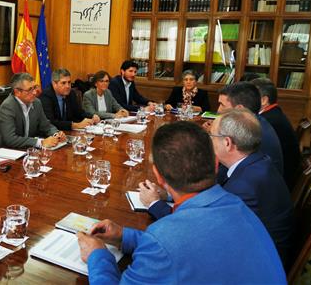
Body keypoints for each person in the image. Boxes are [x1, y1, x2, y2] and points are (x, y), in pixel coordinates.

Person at [76, 121, 286, 283]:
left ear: (158, 177)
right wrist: (124, 236)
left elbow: (172, 244)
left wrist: (98, 256)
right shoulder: (238, 205)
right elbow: (191, 246)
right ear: (215, 164)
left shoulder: (164, 239)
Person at [142, 109, 294, 267]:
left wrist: (154, 204)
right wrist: (169, 194)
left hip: (254, 265)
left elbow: (194, 233)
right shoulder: (254, 162)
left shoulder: (244, 187)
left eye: (211, 136)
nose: (208, 140)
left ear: (227, 143)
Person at [209, 81, 284, 175]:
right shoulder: (256, 122)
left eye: (222, 105)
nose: (218, 110)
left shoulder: (252, 133)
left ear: (240, 109)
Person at [0, 73, 65, 150]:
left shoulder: (36, 102)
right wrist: (40, 142)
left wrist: (56, 134)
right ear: (17, 92)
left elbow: (46, 126)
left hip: (26, 149)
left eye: (34, 88)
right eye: (30, 89)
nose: (34, 92)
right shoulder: (8, 106)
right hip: (5, 152)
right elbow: (10, 139)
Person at [252, 78, 301, 191]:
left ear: (264, 100)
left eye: (251, 95)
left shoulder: (267, 121)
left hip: (278, 183)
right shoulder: (273, 114)